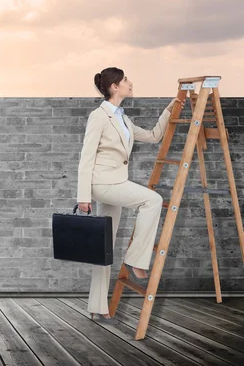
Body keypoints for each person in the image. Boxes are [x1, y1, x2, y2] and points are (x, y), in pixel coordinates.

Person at [76, 67, 184, 324]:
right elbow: (86, 157)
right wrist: (83, 196)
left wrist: (169, 110)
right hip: (103, 184)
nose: (130, 82)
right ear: (114, 86)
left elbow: (153, 136)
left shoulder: (122, 118)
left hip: (117, 183)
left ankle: (97, 307)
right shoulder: (98, 116)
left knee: (104, 247)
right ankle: (137, 259)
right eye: (125, 80)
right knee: (152, 200)